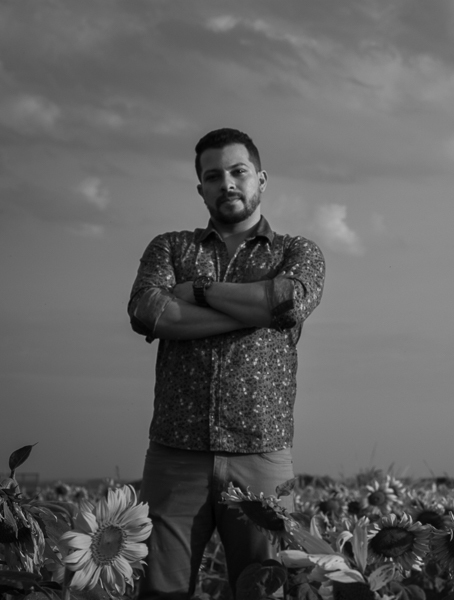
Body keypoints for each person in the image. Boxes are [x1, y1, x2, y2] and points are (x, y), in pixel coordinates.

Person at [127, 128, 325, 598]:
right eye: (213, 176)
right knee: (161, 591)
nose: (227, 183)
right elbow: (147, 311)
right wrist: (253, 314)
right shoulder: (171, 247)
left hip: (262, 455)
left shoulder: (297, 252)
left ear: (260, 179)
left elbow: (288, 303)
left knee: (265, 588)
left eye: (238, 172)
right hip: (176, 455)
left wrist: (196, 292)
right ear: (201, 189)